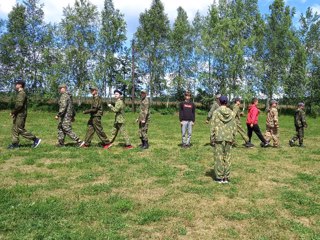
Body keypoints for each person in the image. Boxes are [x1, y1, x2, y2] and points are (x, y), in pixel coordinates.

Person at [8, 80, 41, 149]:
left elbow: (19, 105)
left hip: (21, 114)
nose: (15, 86)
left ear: (20, 85)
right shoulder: (20, 93)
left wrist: (13, 112)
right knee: (15, 129)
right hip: (18, 114)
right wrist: (15, 113)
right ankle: (15, 144)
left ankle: (35, 139)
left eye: (16, 84)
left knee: (20, 129)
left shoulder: (21, 93)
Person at [211, 96, 237, 183]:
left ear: (219, 101)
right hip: (229, 137)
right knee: (228, 157)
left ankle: (219, 177)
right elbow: (234, 126)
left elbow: (213, 126)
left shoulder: (216, 112)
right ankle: (226, 177)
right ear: (227, 102)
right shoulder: (232, 113)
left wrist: (212, 137)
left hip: (219, 137)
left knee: (219, 157)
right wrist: (234, 137)